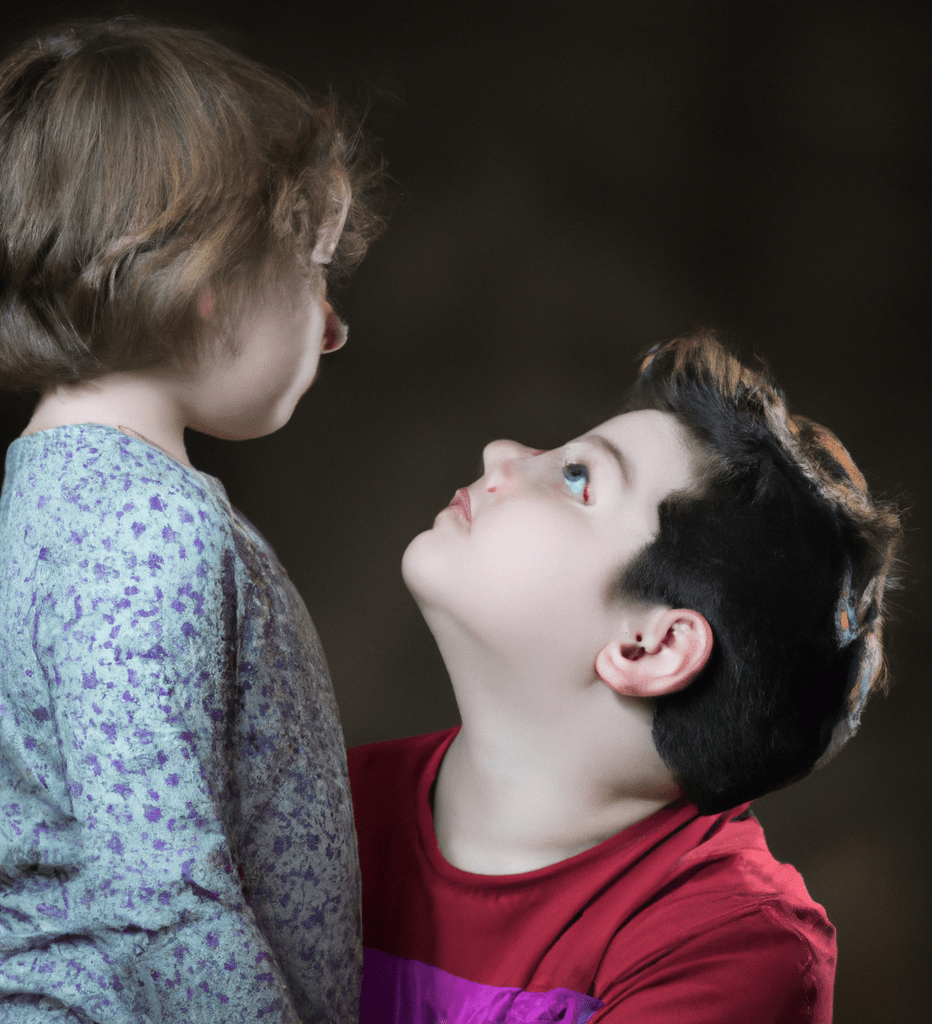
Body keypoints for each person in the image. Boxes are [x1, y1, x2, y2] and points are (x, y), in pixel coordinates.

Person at [0, 18, 381, 1023]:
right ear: (210, 283)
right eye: (313, 269)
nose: (334, 324)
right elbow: (162, 893)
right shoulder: (145, 528)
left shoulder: (59, 487)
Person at [349, 333, 902, 1022]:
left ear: (652, 648)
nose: (501, 453)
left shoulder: (733, 949)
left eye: (578, 477)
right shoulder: (315, 801)